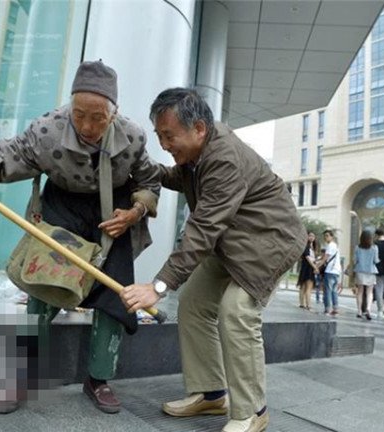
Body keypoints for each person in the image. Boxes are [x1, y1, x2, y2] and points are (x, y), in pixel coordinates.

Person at [0, 60, 160, 414]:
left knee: (115, 297)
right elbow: (9, 152)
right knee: (41, 292)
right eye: (79, 114)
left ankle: (98, 379)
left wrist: (135, 212)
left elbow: (149, 181)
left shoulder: (134, 137)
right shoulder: (48, 129)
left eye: (98, 117)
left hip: (113, 216)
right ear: (70, 106)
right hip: (62, 210)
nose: (87, 126)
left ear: (114, 112)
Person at [120, 88, 305, 432]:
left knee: (236, 311)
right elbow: (178, 176)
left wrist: (157, 286)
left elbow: (203, 228)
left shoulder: (224, 158)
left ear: (199, 128)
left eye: (169, 136)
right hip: (232, 239)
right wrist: (139, 167)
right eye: (160, 136)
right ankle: (211, 394)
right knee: (192, 302)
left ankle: (253, 411)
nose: (164, 144)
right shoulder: (196, 154)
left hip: (269, 242)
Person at [348, 230, 379, 320]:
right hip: (371, 271)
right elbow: (376, 260)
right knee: (369, 292)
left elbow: (354, 260)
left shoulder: (357, 248)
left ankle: (359, 311)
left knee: (360, 292)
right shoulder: (374, 248)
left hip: (360, 271)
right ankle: (368, 308)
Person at [318, 230, 342, 316]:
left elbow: (325, 258)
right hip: (336, 271)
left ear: (332, 237)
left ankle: (327, 309)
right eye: (325, 236)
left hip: (330, 271)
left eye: (327, 236)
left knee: (327, 290)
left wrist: (317, 267)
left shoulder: (330, 245)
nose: (326, 237)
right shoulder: (335, 246)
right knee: (334, 291)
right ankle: (335, 309)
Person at [297, 232, 319, 310]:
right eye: (310, 236)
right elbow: (308, 258)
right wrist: (315, 267)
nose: (311, 237)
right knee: (306, 287)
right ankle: (307, 305)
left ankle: (303, 304)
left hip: (309, 268)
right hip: (307, 268)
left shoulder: (313, 247)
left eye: (313, 236)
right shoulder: (306, 246)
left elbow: (313, 259)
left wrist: (315, 265)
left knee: (305, 287)